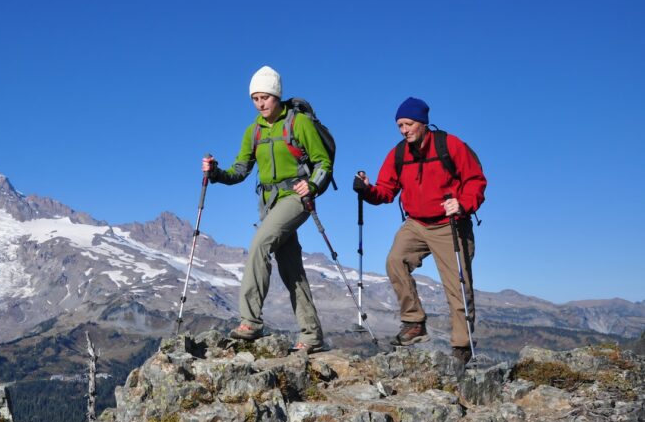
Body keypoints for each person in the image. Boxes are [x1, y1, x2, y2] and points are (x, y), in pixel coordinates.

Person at [202, 65, 331, 351]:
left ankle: (250, 321)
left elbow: (323, 162)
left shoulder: (299, 123)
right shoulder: (253, 131)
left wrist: (311, 185)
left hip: (295, 198)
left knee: (260, 244)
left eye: (266, 97)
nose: (260, 103)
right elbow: (239, 171)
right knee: (291, 268)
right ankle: (312, 335)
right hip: (268, 204)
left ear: (277, 96)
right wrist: (215, 173)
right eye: (255, 98)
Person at [353, 97, 487, 363]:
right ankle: (414, 323)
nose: (404, 130)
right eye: (400, 125)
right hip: (416, 223)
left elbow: (476, 180)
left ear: (423, 122)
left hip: (450, 223)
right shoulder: (399, 153)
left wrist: (462, 203)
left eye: (409, 124)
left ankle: (462, 346)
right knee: (395, 261)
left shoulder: (450, 146)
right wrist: (367, 190)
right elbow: (387, 190)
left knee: (457, 286)